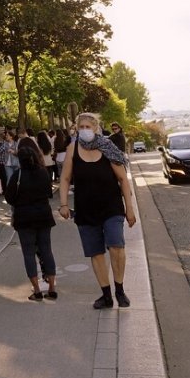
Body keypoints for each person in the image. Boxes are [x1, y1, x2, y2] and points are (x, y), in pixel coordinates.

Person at [58, 112, 136, 308]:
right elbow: (65, 178)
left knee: (116, 247)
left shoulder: (107, 147)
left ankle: (120, 289)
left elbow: (123, 179)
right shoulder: (72, 149)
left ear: (96, 128)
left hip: (111, 207)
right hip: (86, 209)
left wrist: (130, 208)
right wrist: (64, 204)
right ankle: (106, 295)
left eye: (88, 127)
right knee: (96, 253)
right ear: (76, 129)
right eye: (81, 127)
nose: (84, 130)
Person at [4, 137, 57, 300]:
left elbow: (9, 197)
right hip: (43, 215)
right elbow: (49, 193)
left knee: (28, 253)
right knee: (46, 250)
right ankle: (52, 287)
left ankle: (36, 290)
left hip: (24, 218)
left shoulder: (17, 176)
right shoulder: (42, 173)